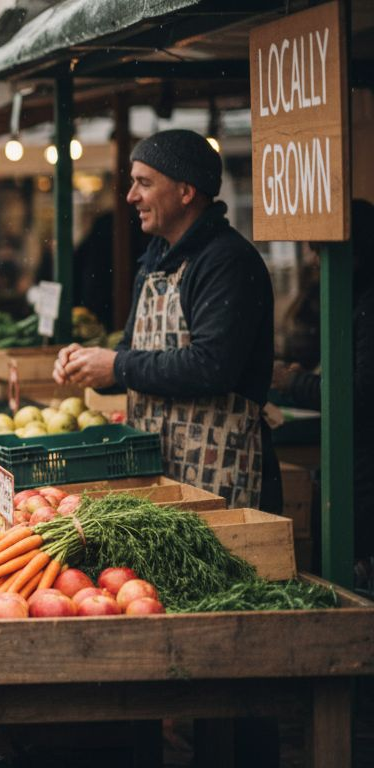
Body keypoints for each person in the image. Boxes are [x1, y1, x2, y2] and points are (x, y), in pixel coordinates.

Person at [54, 129, 278, 512]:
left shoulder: (227, 262)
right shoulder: (156, 260)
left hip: (222, 477)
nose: (130, 197)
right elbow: (133, 353)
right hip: (163, 468)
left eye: (144, 183)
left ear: (185, 191)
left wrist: (118, 366)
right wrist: (93, 365)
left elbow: (212, 366)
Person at [271, 199, 374, 587]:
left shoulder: (367, 305)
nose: (314, 261)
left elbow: (359, 392)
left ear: (355, 252)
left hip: (362, 469)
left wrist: (292, 383)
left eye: (319, 250)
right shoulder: (355, 300)